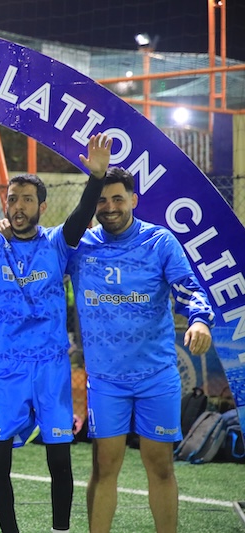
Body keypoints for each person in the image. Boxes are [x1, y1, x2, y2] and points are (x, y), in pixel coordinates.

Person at [0, 116, 111, 533]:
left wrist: (96, 179)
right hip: (5, 368)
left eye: (27, 200)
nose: (18, 207)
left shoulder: (57, 243)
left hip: (51, 367)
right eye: (13, 199)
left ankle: (60, 531)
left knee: (59, 460)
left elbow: (81, 215)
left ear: (41, 207)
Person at [66, 167, 213, 533]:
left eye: (118, 198)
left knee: (160, 465)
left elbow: (188, 287)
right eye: (102, 200)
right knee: (104, 466)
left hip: (156, 376)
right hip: (106, 380)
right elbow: (36, 256)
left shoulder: (159, 242)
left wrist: (199, 320)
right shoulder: (80, 247)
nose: (110, 207)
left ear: (133, 200)